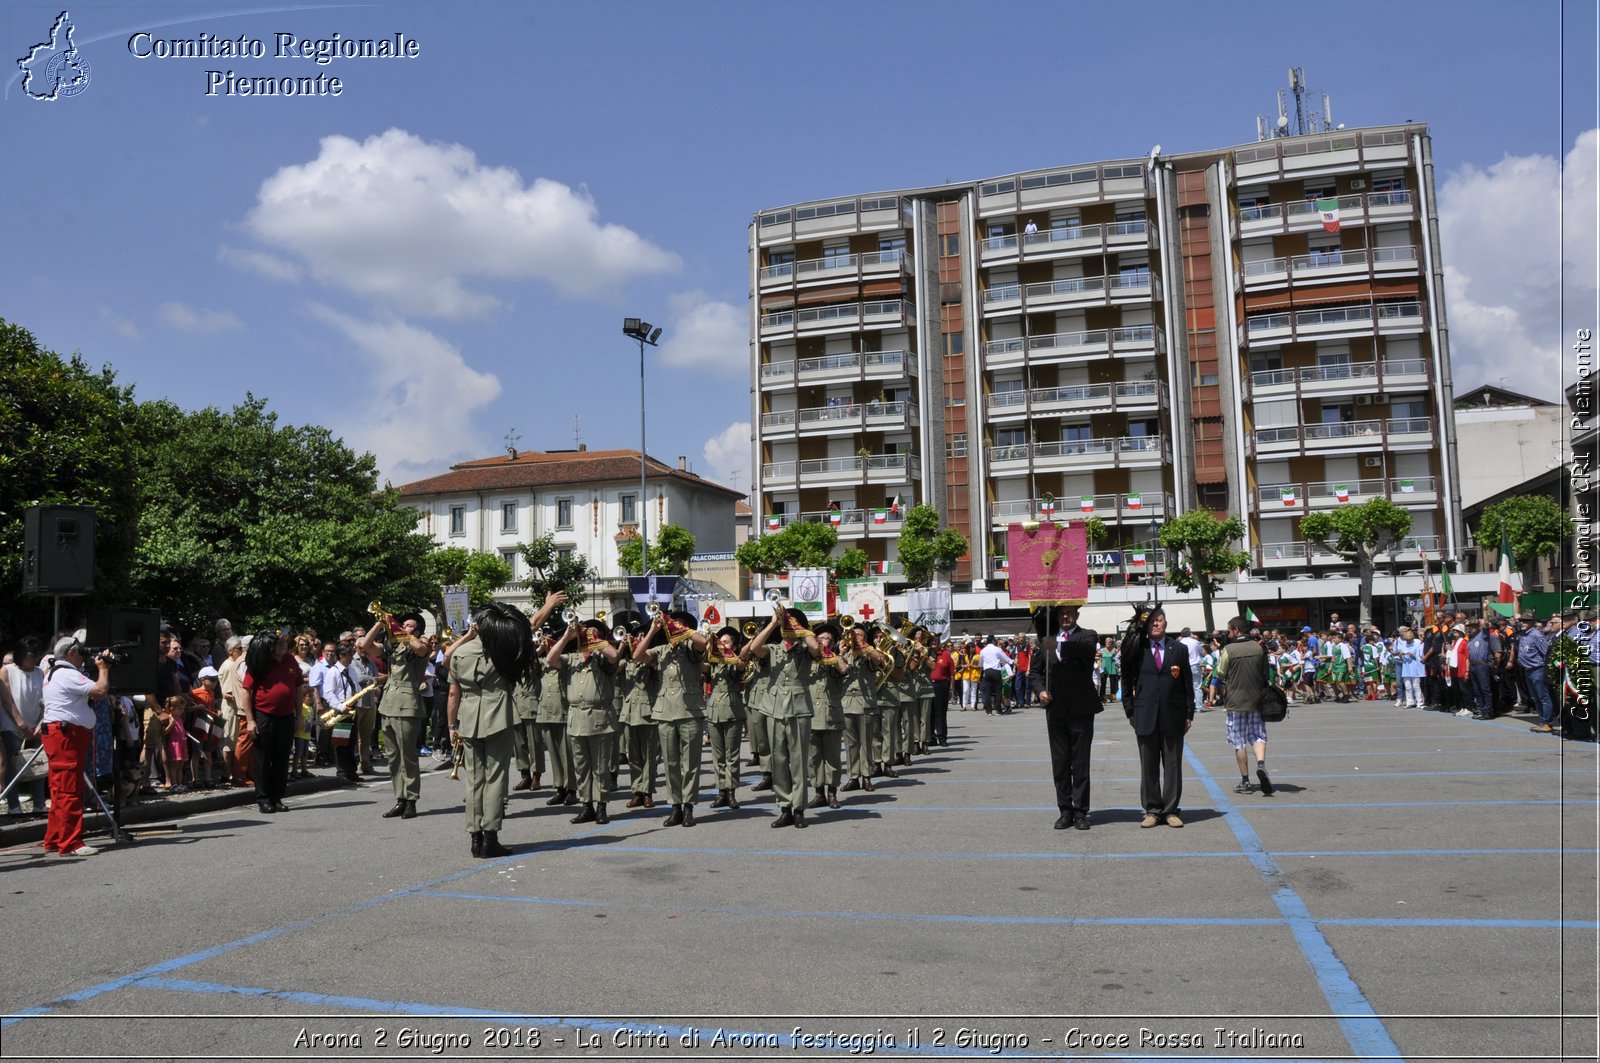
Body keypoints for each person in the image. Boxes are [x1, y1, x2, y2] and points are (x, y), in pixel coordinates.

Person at [450, 603, 531, 857]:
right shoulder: (502, 649)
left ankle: (475, 839)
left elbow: (453, 688)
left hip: (469, 716)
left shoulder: (460, 653)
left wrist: (452, 724)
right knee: (495, 779)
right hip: (498, 715)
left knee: (474, 781)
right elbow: (527, 633)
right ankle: (490, 838)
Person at [746, 602, 820, 828]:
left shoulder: (805, 648)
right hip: (774, 707)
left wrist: (800, 628)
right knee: (778, 761)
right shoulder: (774, 649)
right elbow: (754, 648)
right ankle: (784, 806)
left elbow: (817, 649)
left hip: (798, 708)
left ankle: (799, 809)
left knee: (798, 761)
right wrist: (773, 623)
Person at [37, 637, 113, 855]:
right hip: (67, 734)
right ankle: (71, 843)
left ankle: (55, 838)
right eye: (80, 651)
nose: (83, 656)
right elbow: (100, 691)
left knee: (59, 788)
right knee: (69, 789)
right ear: (70, 653)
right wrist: (104, 669)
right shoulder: (68, 673)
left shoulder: (53, 673)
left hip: (61, 733)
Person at [635, 610, 709, 827]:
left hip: (690, 709)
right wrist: (652, 630)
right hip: (665, 710)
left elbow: (703, 641)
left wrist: (681, 629)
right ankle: (675, 806)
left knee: (690, 763)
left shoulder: (691, 647)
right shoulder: (662, 650)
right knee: (670, 762)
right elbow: (638, 656)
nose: (672, 627)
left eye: (677, 625)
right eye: (671, 625)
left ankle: (688, 807)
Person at [1123, 608, 1194, 828]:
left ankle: (1171, 810)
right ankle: (1152, 810)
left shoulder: (1179, 649)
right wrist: (1130, 711)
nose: (1156, 624)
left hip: (1173, 715)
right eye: (1152, 620)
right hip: (1144, 715)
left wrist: (1189, 713)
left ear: (1166, 623)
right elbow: (1126, 680)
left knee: (1172, 765)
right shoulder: (1138, 648)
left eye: (1159, 620)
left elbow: (1187, 684)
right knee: (1149, 765)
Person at [1031, 604, 1100, 830]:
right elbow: (1035, 672)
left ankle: (1081, 812)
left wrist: (1051, 641)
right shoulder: (1048, 641)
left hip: (1081, 709)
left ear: (1077, 615)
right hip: (1056, 710)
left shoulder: (1086, 636)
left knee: (1080, 763)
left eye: (1070, 612)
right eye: (1062, 613)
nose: (1066, 616)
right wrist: (1040, 690)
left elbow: (1084, 652)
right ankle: (1065, 810)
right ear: (1057, 616)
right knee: (1060, 764)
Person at [550, 617, 621, 825]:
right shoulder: (572, 658)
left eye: (591, 633)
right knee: (581, 767)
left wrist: (595, 638)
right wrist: (567, 636)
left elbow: (614, 655)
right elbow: (550, 659)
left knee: (600, 767)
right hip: (576, 718)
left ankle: (601, 806)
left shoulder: (602, 657)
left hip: (600, 718)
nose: (586, 636)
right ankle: (586, 805)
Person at [240, 630, 305, 814]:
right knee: (262, 758)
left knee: (282, 757)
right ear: (271, 647)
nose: (284, 646)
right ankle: (263, 798)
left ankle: (277, 797)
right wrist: (250, 720)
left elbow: (298, 688)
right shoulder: (261, 662)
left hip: (285, 716)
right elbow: (247, 691)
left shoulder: (291, 661)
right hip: (264, 715)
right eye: (279, 644)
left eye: (285, 643)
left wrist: (299, 716)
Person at [1213, 616, 1274, 796]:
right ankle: (1261, 765)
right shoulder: (1258, 647)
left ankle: (1245, 781)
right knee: (1258, 735)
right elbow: (1266, 673)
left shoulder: (1229, 649)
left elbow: (1221, 673)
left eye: (1229, 630)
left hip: (1236, 700)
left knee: (1239, 742)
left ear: (1236, 630)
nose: (1228, 634)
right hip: (1257, 698)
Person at [1, 637, 48, 816]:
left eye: (37, 655)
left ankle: (39, 803)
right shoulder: (6, 671)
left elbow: (45, 699)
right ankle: (14, 806)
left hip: (35, 725)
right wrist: (20, 723)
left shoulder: (40, 673)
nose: (34, 658)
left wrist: (40, 722)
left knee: (38, 764)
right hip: (11, 724)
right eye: (31, 654)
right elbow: (7, 700)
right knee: (14, 765)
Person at [705, 625, 749, 810]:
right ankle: (721, 791)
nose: (722, 645)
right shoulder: (711, 663)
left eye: (726, 642)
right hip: (714, 711)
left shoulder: (735, 660)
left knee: (732, 755)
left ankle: (731, 791)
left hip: (732, 710)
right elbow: (700, 664)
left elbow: (741, 666)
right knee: (718, 755)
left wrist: (729, 654)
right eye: (720, 641)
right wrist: (709, 644)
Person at [1519, 615, 1556, 733]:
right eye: (1521, 621)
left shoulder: (1536, 634)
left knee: (1543, 697)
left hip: (1537, 669)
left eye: (1525, 621)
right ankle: (1542, 721)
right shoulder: (1525, 634)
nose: (1522, 623)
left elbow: (1546, 651)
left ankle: (1547, 722)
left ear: (1531, 622)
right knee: (1535, 698)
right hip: (1528, 670)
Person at [979, 637, 1013, 715]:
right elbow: (1005, 658)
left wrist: (982, 666)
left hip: (987, 671)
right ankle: (998, 710)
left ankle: (989, 711)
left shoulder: (983, 650)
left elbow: (980, 662)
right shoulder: (997, 649)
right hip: (996, 670)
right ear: (993, 641)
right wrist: (1012, 661)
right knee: (998, 691)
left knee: (988, 691)